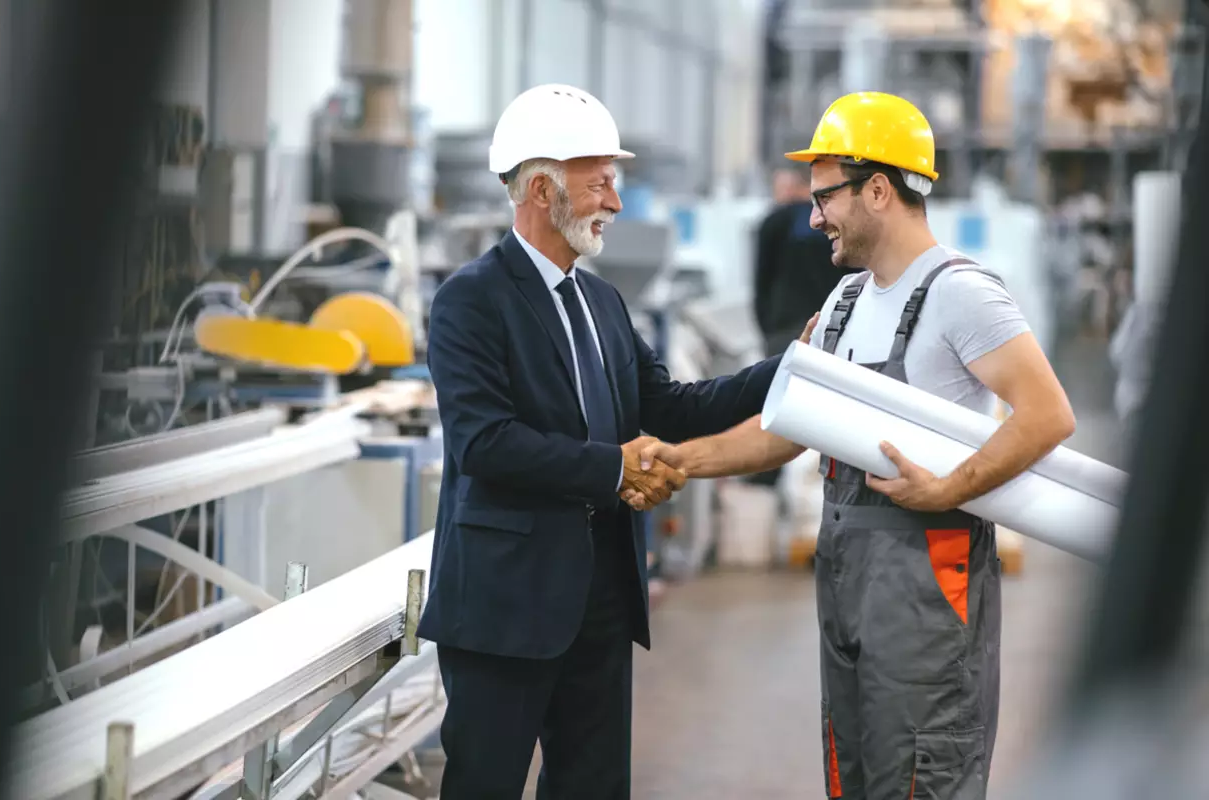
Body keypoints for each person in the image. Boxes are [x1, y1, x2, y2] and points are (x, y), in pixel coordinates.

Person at [626, 92, 1077, 799]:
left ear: (877, 189)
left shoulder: (961, 294)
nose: (812, 218)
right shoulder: (843, 304)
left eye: (824, 197)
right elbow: (790, 430)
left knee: (924, 769)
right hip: (846, 575)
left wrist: (948, 489)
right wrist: (685, 459)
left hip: (928, 581)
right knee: (854, 768)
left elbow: (1048, 414)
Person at [418, 83, 782, 800]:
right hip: (506, 603)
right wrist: (613, 470)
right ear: (542, 187)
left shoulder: (603, 303)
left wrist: (791, 368)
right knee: (484, 785)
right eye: (602, 183)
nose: (615, 202)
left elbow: (672, 407)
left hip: (602, 598)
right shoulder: (471, 300)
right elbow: (485, 442)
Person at [749, 164, 860, 492]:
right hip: (836, 325)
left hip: (785, 328)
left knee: (781, 405)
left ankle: (768, 476)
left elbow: (761, 280)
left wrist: (767, 327)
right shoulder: (837, 224)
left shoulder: (773, 221)